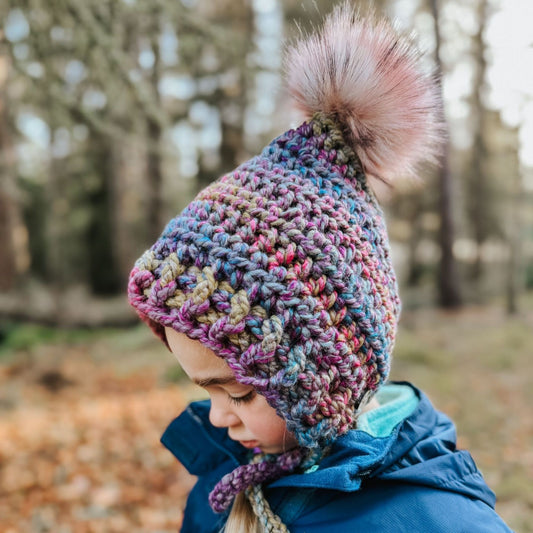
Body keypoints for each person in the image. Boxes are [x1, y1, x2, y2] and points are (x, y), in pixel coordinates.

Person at [128, 4, 513, 532]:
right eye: (206, 390)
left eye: (238, 391)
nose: (217, 417)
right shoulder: (221, 485)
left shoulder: (436, 522)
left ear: (322, 378)